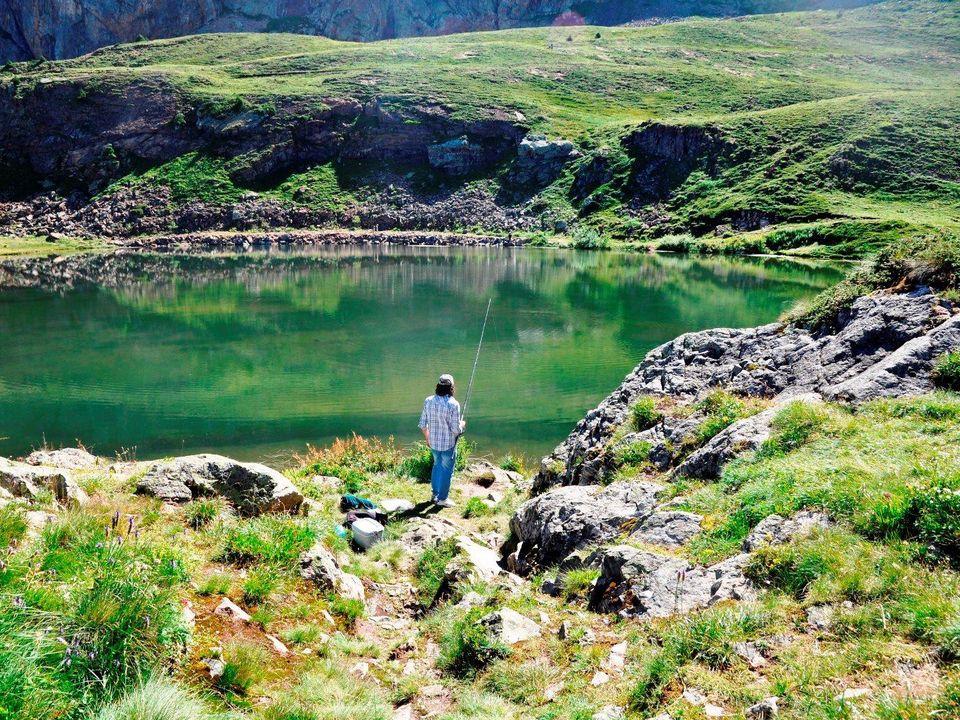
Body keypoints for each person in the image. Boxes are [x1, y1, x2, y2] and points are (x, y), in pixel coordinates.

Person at [418, 373, 465, 508]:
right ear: (451, 388)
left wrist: (428, 439)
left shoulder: (428, 401)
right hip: (448, 445)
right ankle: (443, 499)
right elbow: (456, 430)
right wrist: (462, 425)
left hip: (433, 443)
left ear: (438, 386)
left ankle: (435, 494)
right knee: (446, 470)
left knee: (437, 466)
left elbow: (422, 424)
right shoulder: (453, 404)